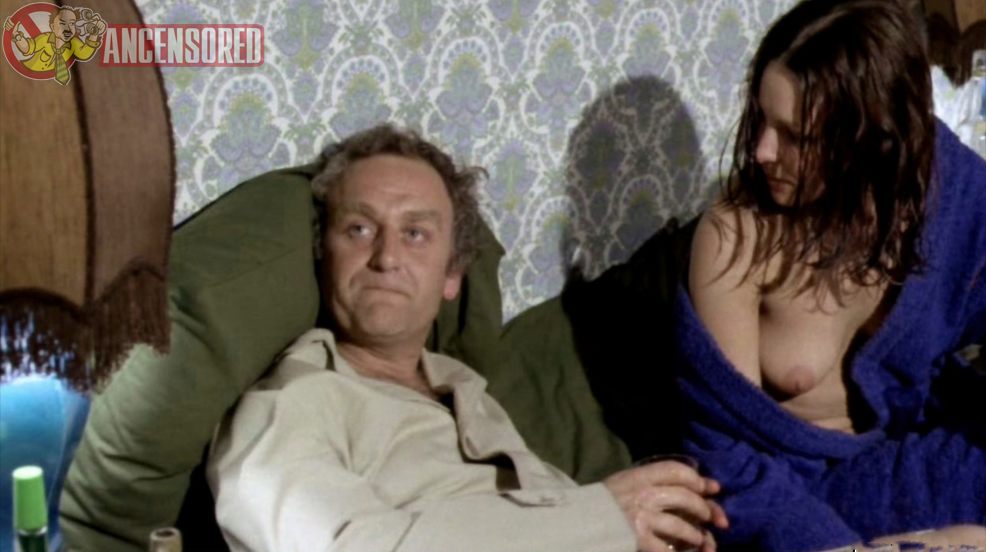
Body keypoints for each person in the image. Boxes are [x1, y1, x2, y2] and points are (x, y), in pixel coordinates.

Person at [207, 124, 728, 552]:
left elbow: (542, 519)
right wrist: (605, 518)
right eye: (359, 229)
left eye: (415, 234)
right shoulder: (289, 404)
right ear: (324, 255)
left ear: (452, 275)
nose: (386, 257)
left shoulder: (462, 388)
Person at [681, 0, 986, 550]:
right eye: (761, 119)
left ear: (871, 139)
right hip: (801, 492)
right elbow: (727, 456)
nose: (762, 152)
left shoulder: (937, 184)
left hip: (913, 449)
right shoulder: (735, 239)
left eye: (795, 136)